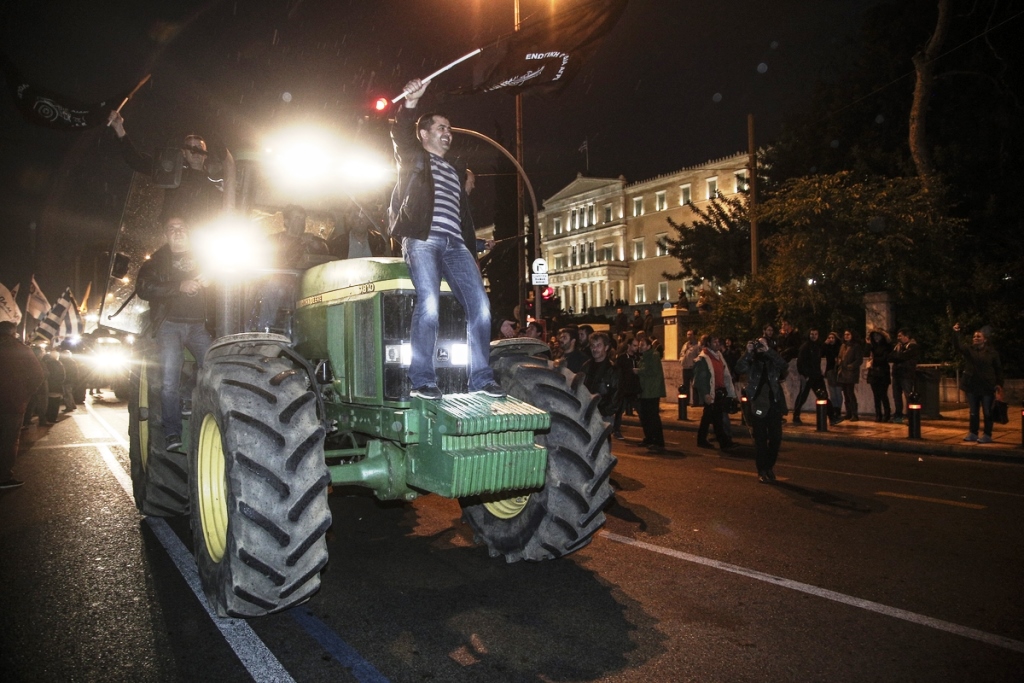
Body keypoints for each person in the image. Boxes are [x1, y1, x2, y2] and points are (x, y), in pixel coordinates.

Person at [388, 78, 503, 400]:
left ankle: (481, 378)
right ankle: (423, 379)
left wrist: (476, 245)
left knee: (481, 307)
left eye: (449, 128)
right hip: (423, 240)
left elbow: (460, 220)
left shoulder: (455, 172)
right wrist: (411, 104)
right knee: (429, 304)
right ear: (424, 134)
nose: (447, 132)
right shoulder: (416, 161)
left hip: (456, 245)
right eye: (441, 127)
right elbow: (400, 135)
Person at [136, 216, 214, 452]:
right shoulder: (157, 261)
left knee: (214, 364)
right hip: (169, 324)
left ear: (188, 232)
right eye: (172, 229)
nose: (177, 232)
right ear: (166, 235)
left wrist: (214, 281)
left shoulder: (204, 256)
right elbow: (143, 288)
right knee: (169, 380)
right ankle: (172, 432)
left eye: (181, 227)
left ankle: (188, 395)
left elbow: (226, 282)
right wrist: (178, 287)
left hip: (199, 325)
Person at [107, 110, 235, 226]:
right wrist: (119, 129)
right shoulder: (172, 171)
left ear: (206, 154)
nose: (195, 151)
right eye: (190, 148)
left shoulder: (215, 183)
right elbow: (137, 161)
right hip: (174, 233)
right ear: (183, 153)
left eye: (199, 148)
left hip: (204, 240)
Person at [256, 204, 332, 332]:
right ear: (287, 221)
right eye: (297, 218)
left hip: (307, 284)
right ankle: (264, 330)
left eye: (303, 219)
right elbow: (277, 263)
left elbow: (326, 258)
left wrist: (317, 245)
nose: (301, 222)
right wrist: (298, 244)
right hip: (281, 284)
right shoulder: (274, 240)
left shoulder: (313, 240)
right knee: (272, 288)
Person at [0, 321, 45, 489]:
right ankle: (3, 476)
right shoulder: (21, 349)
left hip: (12, 402)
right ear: (13, 332)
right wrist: (24, 395)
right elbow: (37, 376)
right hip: (12, 404)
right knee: (8, 441)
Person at [736, 336, 787, 483]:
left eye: (762, 344)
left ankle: (769, 466)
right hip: (758, 405)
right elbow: (739, 368)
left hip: (774, 404)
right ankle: (762, 470)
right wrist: (748, 352)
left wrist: (768, 350)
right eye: (758, 344)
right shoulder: (752, 360)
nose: (760, 347)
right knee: (760, 440)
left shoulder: (773, 359)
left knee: (776, 438)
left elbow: (784, 366)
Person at [953, 323, 1003, 443]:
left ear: (985, 339)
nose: (975, 338)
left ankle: (987, 434)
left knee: (987, 411)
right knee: (973, 412)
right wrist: (955, 333)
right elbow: (957, 346)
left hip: (987, 387)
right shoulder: (969, 350)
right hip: (972, 386)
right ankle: (973, 433)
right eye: (974, 336)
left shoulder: (992, 353)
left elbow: (998, 369)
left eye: (978, 336)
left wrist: (999, 385)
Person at [692, 335, 736, 449]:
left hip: (719, 391)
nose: (717, 343)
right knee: (715, 418)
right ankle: (723, 442)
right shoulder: (703, 358)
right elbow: (699, 379)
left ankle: (703, 440)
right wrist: (706, 393)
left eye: (718, 341)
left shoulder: (719, 356)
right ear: (708, 344)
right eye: (714, 341)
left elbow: (725, 374)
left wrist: (729, 390)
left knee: (710, 417)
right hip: (712, 392)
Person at [634, 331, 666, 453]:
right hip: (645, 391)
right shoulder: (644, 357)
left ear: (648, 346)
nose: (640, 347)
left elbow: (651, 371)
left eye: (642, 345)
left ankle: (658, 441)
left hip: (651, 391)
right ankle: (649, 438)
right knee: (645, 416)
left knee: (652, 417)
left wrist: (639, 371)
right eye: (639, 345)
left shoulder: (653, 356)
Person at [581, 332, 618, 424]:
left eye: (598, 345)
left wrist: (603, 412)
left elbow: (616, 396)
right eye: (592, 345)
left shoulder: (612, 369)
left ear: (606, 347)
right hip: (585, 413)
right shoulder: (586, 366)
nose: (595, 349)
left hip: (603, 416)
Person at [792, 328, 825, 425]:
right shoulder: (805, 347)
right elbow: (800, 362)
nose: (814, 336)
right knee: (802, 396)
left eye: (816, 334)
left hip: (817, 375)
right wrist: (804, 375)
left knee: (823, 395)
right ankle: (796, 415)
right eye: (812, 334)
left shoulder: (818, 346)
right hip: (808, 376)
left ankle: (831, 416)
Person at [612, 333, 641, 439]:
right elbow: (616, 372)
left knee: (641, 411)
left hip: (635, 389)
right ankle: (616, 430)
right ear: (629, 346)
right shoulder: (622, 358)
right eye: (634, 345)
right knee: (620, 411)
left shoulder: (638, 358)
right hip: (624, 389)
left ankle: (649, 435)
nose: (636, 348)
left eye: (637, 346)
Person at [888, 329, 920, 424]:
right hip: (897, 374)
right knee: (896, 396)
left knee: (908, 395)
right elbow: (890, 357)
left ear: (907, 336)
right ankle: (898, 415)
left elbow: (902, 357)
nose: (898, 338)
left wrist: (897, 357)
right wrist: (897, 356)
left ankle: (911, 417)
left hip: (906, 374)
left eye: (900, 336)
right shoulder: (898, 346)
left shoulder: (913, 346)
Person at [837, 329, 863, 421]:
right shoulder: (843, 346)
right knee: (846, 393)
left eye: (848, 334)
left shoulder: (856, 346)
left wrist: (851, 366)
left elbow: (859, 360)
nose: (846, 336)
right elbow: (840, 356)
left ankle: (854, 414)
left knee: (850, 393)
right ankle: (848, 412)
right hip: (843, 372)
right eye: (845, 334)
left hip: (851, 373)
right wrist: (839, 361)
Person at [866, 330, 892, 422]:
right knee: (876, 396)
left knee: (883, 395)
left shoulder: (885, 347)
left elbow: (884, 359)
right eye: (875, 336)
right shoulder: (872, 347)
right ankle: (878, 414)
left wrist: (874, 360)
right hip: (874, 373)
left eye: (878, 336)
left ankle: (887, 414)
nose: (876, 338)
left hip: (882, 373)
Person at [777, 320, 801, 420]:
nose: (783, 326)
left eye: (785, 324)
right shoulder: (783, 336)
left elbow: (794, 347)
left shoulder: (794, 335)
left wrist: (785, 352)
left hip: (791, 359)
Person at [822, 331, 844, 425]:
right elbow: (821, 353)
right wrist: (825, 344)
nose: (831, 339)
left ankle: (838, 409)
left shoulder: (840, 347)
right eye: (829, 338)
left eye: (833, 338)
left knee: (838, 392)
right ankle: (835, 409)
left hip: (838, 371)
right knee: (832, 392)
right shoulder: (827, 347)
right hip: (830, 371)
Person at [42, 349, 65, 425]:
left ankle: (47, 417)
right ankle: (52, 418)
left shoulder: (46, 363)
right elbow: (62, 375)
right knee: (55, 403)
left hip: (48, 386)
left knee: (49, 403)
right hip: (56, 386)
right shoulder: (59, 364)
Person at [679, 329, 700, 406]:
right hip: (685, 367)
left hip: (693, 368)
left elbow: (699, 356)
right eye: (688, 334)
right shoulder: (685, 345)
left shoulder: (697, 345)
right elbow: (681, 354)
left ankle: (696, 402)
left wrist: (695, 362)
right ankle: (686, 401)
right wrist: (681, 360)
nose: (689, 336)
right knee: (685, 385)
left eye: (690, 334)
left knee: (694, 385)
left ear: (694, 335)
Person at [60, 349, 79, 413]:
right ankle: (72, 405)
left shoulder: (66, 362)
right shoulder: (72, 361)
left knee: (67, 394)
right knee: (69, 393)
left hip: (67, 380)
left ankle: (69, 406)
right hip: (71, 380)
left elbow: (66, 371)